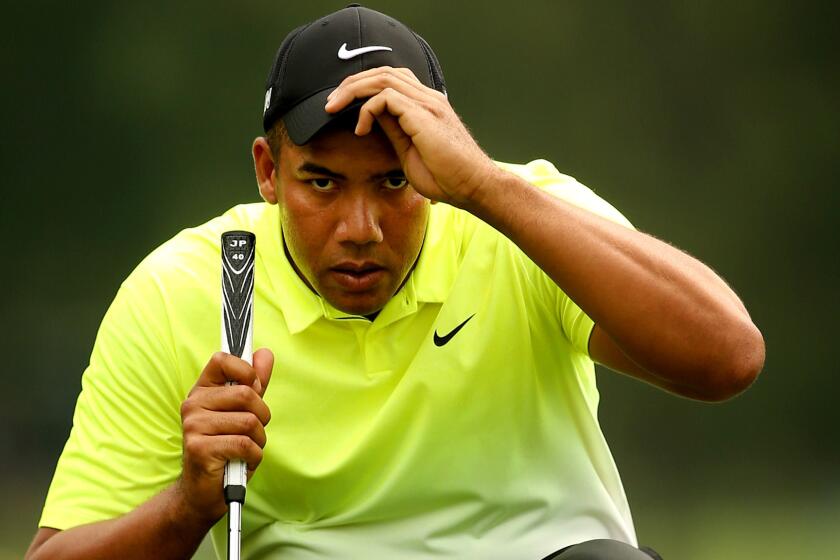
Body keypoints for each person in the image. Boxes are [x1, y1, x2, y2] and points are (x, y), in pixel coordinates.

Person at [26, 5, 764, 560]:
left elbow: (728, 358)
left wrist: (482, 186)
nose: (360, 227)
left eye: (394, 180)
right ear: (266, 171)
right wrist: (187, 507)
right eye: (321, 182)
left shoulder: (518, 217)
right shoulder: (186, 289)